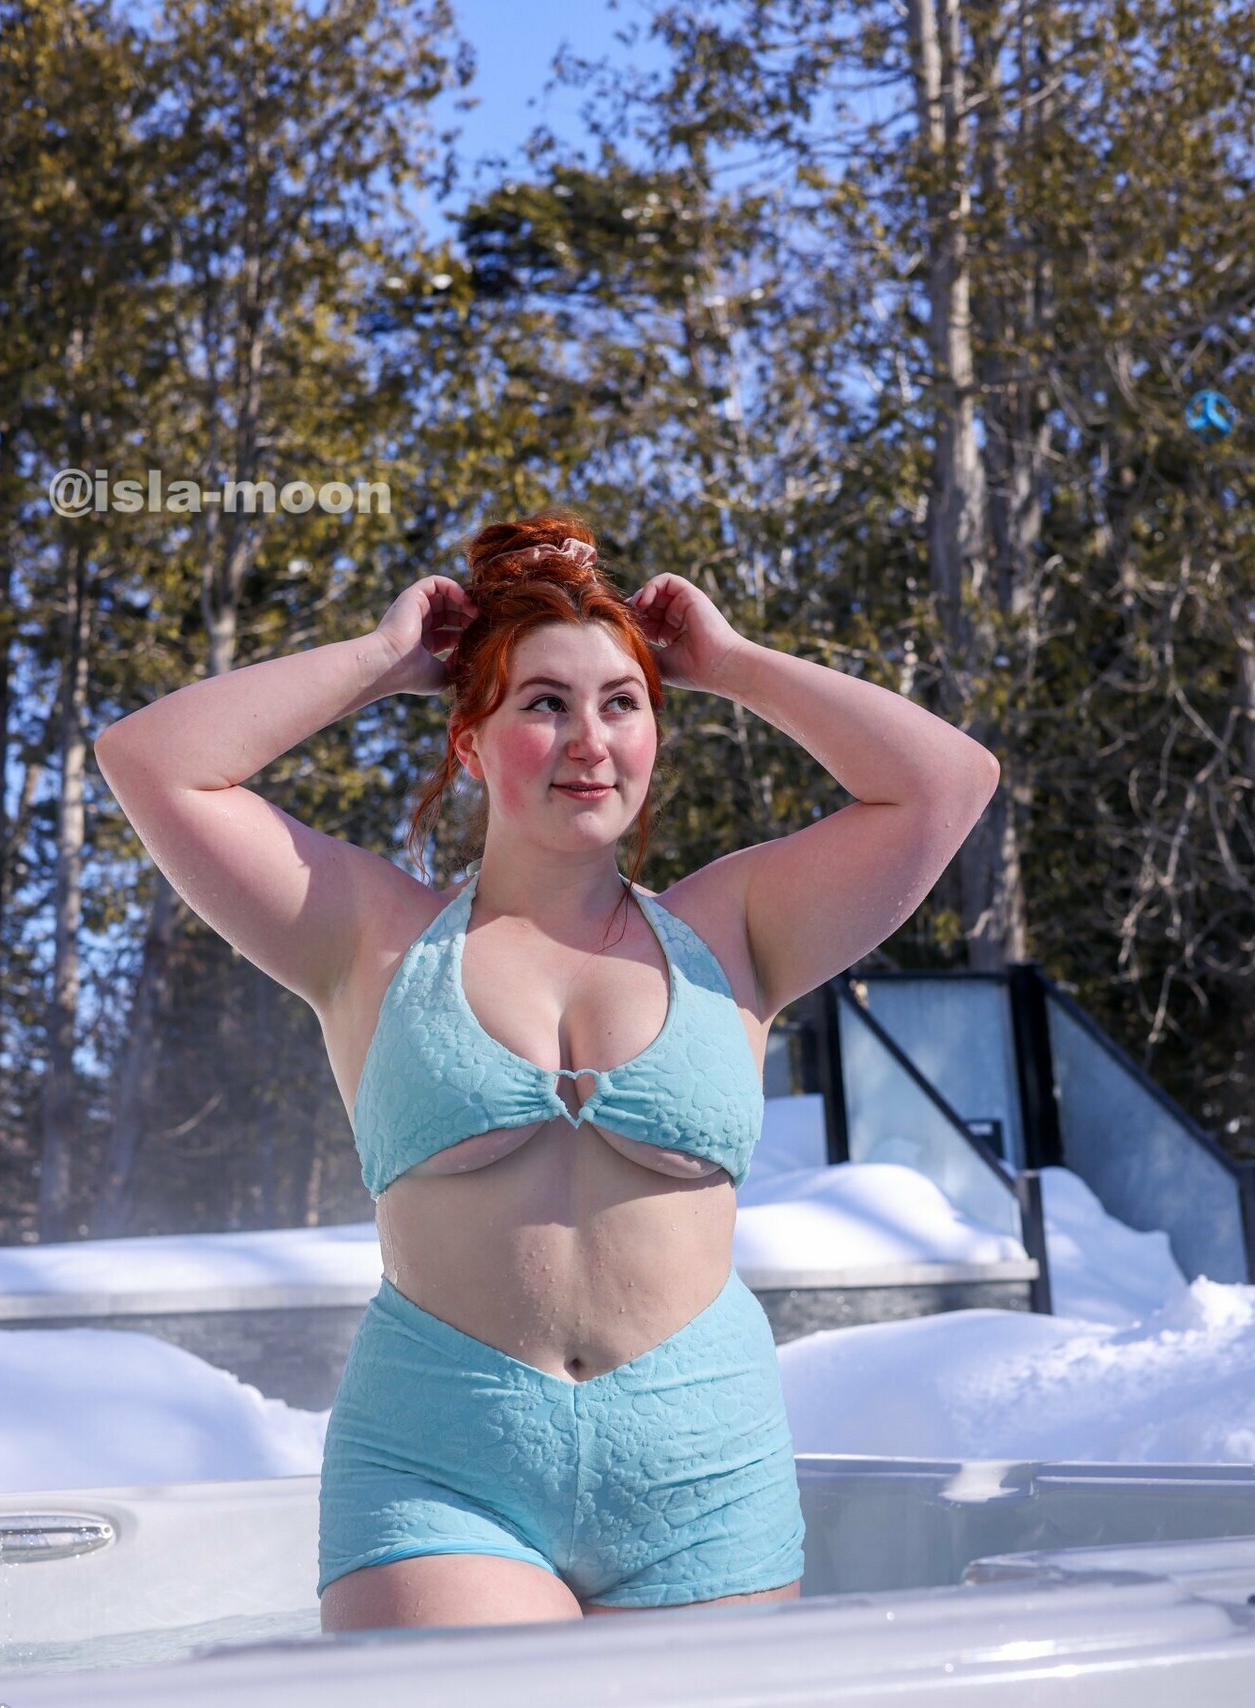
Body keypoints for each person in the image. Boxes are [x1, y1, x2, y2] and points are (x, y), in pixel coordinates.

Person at [94, 511, 1000, 1632]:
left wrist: (733, 664)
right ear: (469, 740)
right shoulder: (371, 937)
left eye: (622, 703)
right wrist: (381, 661)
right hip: (442, 1471)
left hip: (702, 1474)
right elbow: (155, 762)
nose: (590, 741)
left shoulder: (738, 928)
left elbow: (947, 782)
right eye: (542, 704)